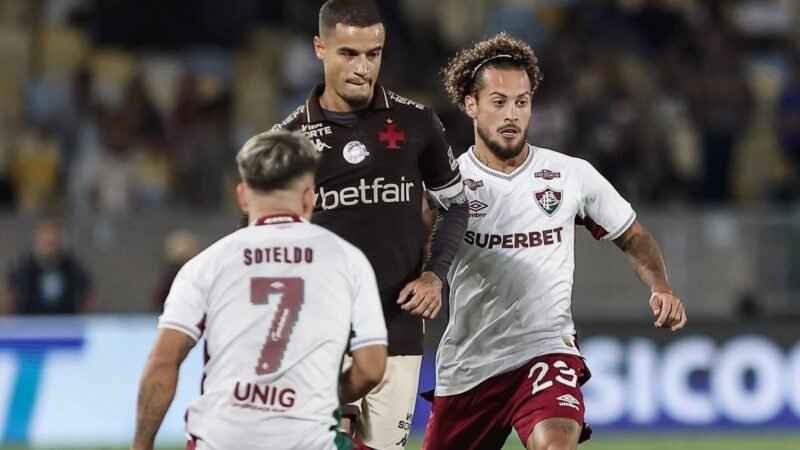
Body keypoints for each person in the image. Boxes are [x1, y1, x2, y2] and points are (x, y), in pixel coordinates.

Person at [422, 33, 688, 450]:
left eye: (522, 102)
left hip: (546, 350)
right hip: (470, 365)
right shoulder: (447, 185)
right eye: (499, 102)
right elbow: (412, 254)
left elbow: (632, 236)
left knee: (555, 444)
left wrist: (661, 286)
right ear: (470, 105)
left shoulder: (569, 175)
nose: (512, 114)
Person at [267, 1, 469, 448]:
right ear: (320, 48)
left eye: (372, 54)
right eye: (348, 54)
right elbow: (256, 234)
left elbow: (456, 206)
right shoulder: (289, 143)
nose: (362, 68)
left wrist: (435, 275)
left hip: (399, 325)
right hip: (322, 326)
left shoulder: (416, 123)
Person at [131, 130, 388, 450]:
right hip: (307, 439)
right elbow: (371, 367)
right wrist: (325, 391)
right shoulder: (348, 260)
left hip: (220, 440)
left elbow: (163, 362)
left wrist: (141, 445)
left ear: (242, 196)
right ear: (309, 197)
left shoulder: (205, 265)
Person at [3, 216, 93, 315]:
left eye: (53, 242)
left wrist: (85, 320)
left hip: (65, 323)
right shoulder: (22, 266)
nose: (50, 248)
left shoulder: (72, 266)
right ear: (37, 241)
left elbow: (88, 294)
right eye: (46, 242)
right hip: (30, 323)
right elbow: (10, 296)